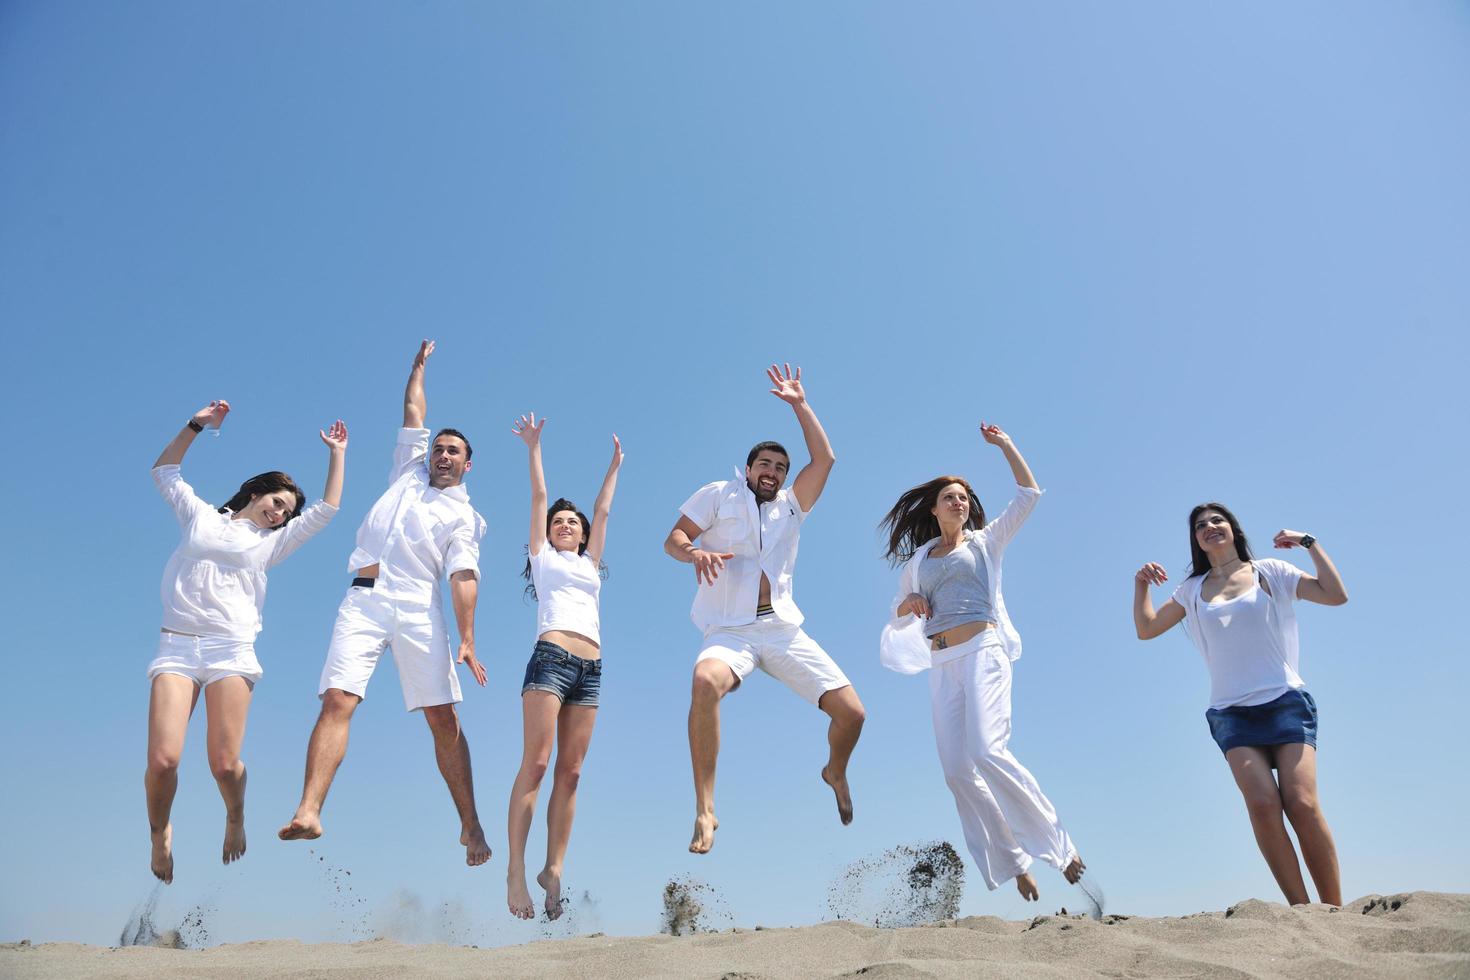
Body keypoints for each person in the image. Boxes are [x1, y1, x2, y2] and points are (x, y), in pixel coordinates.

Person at [278, 340, 492, 867]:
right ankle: (309, 809)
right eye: (438, 449)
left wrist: (467, 638)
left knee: (443, 719)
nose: (442, 456)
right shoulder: (407, 472)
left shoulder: (466, 516)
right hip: (364, 601)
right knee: (337, 699)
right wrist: (417, 369)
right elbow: (414, 410)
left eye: (452, 452)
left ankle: (471, 825)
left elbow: (463, 576)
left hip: (420, 608)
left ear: (468, 464)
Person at [663, 364, 865, 855]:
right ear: (748, 468)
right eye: (765, 464)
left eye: (780, 467)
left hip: (781, 628)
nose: (772, 472)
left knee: (853, 715)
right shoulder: (718, 494)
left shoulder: (792, 507)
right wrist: (695, 553)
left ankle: (834, 770)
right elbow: (673, 539)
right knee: (704, 682)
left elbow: (827, 457)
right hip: (728, 629)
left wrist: (800, 404)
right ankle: (705, 809)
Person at [878, 423, 1084, 902]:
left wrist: (1006, 445)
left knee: (988, 749)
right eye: (950, 496)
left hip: (983, 651)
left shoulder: (986, 542)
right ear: (934, 508)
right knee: (955, 770)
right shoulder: (920, 559)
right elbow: (898, 607)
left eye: (965, 497)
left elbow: (1029, 495)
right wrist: (909, 600)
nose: (959, 502)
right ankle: (1015, 862)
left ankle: (1060, 846)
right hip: (942, 660)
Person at [147, 399, 345, 883]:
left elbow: (327, 510)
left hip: (230, 651)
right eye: (277, 502)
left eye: (286, 512)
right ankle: (159, 834)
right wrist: (197, 424)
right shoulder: (201, 518)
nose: (280, 514)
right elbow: (166, 470)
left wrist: (337, 454)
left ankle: (235, 815)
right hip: (177, 646)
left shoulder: (271, 543)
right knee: (164, 759)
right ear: (256, 492)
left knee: (223, 764)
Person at [1133, 502, 1347, 906]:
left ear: (1233, 528)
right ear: (1195, 539)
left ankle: (1336, 910)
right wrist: (1141, 584)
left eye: (1218, 520)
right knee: (1264, 806)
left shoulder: (1271, 572)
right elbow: (1146, 629)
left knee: (1300, 803)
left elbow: (1336, 595)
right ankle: (1303, 912)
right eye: (1200, 525)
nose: (1210, 527)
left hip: (1285, 701)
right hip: (1231, 714)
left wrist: (1309, 543)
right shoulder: (1191, 590)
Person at [505, 415, 622, 920]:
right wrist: (534, 447)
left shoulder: (590, 563)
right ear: (548, 534)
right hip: (551, 661)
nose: (566, 525)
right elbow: (537, 496)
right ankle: (515, 870)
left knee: (570, 774)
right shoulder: (543, 558)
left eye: (572, 523)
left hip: (591, 668)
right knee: (536, 762)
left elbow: (603, 508)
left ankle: (553, 870)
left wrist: (614, 466)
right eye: (559, 522)